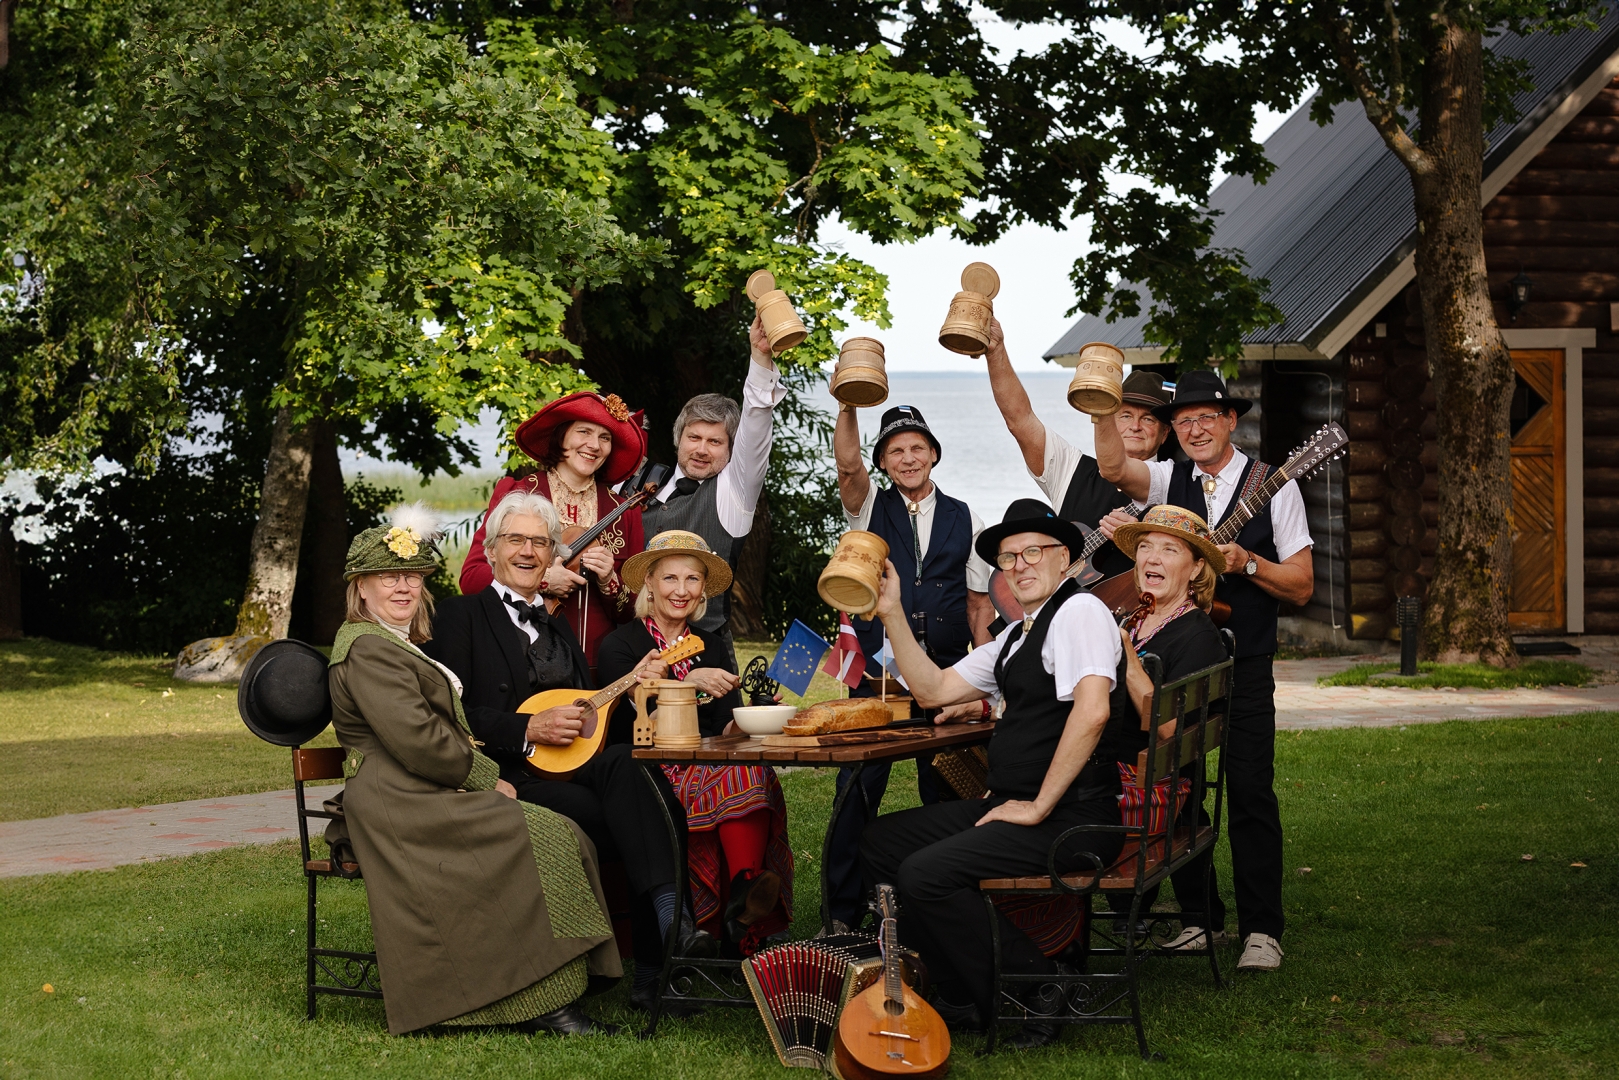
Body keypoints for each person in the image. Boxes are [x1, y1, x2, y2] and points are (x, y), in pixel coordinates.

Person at [326, 514, 621, 1036]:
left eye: (413, 576)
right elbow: (418, 738)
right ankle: (536, 999)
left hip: (421, 788)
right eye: (388, 577)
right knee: (546, 834)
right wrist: (487, 777)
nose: (403, 586)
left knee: (558, 831)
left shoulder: (391, 641)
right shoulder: (367, 648)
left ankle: (554, 984)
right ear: (361, 588)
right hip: (399, 800)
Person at [857, 499, 1136, 1049]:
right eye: (1008, 558)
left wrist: (1036, 806)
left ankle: (1039, 984)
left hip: (1074, 816)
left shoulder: (1080, 613)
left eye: (1034, 552)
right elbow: (933, 691)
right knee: (880, 843)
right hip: (1016, 804)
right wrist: (891, 613)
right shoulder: (1015, 635)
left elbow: (1093, 710)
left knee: (924, 876)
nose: (1020, 565)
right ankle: (961, 988)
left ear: (1067, 561)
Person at [426, 491, 717, 1015]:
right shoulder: (460, 615)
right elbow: (446, 710)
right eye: (516, 539)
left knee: (639, 773)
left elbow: (587, 715)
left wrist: (631, 687)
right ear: (491, 550)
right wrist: (526, 726)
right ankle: (664, 956)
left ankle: (665, 949)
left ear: (553, 555)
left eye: (541, 542)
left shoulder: (559, 625)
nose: (528, 551)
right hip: (510, 774)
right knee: (644, 810)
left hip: (573, 769)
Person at [1095, 370, 1314, 972]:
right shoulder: (1168, 478)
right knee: (1176, 785)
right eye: (1183, 420)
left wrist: (1248, 564)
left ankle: (1262, 929)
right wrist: (1098, 409)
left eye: (1206, 418)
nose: (1194, 428)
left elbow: (1300, 586)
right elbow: (1116, 469)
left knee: (1247, 790)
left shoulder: (1274, 485)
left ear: (1229, 422)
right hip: (1176, 658)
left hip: (1245, 662)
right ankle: (1198, 919)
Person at [822, 399, 996, 933]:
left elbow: (977, 605)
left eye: (917, 447)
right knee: (856, 790)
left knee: (947, 792)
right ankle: (842, 915)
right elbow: (848, 465)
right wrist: (848, 402)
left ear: (934, 454)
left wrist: (989, 676)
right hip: (876, 680)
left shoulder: (967, 516)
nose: (908, 458)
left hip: (943, 676)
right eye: (895, 450)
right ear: (883, 462)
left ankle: (940, 907)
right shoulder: (867, 507)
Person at [596, 531, 794, 956]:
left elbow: (726, 730)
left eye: (692, 579)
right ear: (649, 583)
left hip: (710, 757)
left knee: (752, 767)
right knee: (733, 778)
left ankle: (743, 898)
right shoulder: (620, 645)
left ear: (704, 587)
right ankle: (740, 908)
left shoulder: (714, 644)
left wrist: (753, 719)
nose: (681, 591)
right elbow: (636, 709)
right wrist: (687, 682)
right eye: (670, 578)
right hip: (653, 762)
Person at [1109, 505, 1233, 949]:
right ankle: (1192, 915)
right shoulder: (1134, 619)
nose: (1152, 559)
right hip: (1125, 767)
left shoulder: (1197, 636)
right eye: (1145, 548)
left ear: (1196, 566)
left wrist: (1124, 658)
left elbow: (1173, 734)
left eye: (1169, 549)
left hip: (1142, 781)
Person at [639, 314, 785, 673]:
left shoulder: (734, 492)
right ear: (679, 438)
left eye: (715, 441)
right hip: (634, 651)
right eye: (694, 438)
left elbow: (756, 420)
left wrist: (761, 358)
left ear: (732, 450)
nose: (702, 449)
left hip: (707, 655)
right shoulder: (638, 484)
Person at [460, 391, 648, 666]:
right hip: (519, 657)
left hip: (595, 665)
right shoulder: (516, 492)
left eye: (604, 438)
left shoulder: (624, 512)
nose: (594, 445)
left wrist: (610, 580)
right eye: (583, 431)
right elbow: (472, 580)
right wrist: (543, 581)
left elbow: (632, 610)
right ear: (561, 436)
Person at [982, 317, 1174, 579]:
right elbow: (1020, 421)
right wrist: (996, 352)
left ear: (1165, 434)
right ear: (1110, 416)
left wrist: (1141, 538)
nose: (1135, 426)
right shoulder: (1071, 468)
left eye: (1149, 418)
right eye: (1125, 415)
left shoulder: (1177, 485)